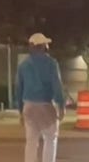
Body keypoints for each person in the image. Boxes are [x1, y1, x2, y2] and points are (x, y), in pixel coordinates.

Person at [14, 33, 66, 162]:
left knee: (31, 142)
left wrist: (20, 111)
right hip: (45, 106)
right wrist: (61, 106)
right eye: (45, 44)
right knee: (50, 139)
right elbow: (57, 85)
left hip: (29, 106)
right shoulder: (51, 63)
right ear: (43, 46)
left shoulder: (23, 65)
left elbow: (19, 89)